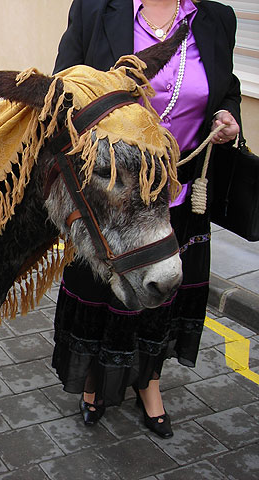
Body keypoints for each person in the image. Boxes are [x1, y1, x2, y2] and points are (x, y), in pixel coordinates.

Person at [51, 0, 241, 438]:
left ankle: (149, 383)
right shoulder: (96, 10)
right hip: (113, 198)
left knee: (164, 293)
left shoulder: (217, 18)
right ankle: (95, 382)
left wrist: (228, 115)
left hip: (182, 193)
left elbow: (225, 87)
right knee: (103, 293)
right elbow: (64, 89)